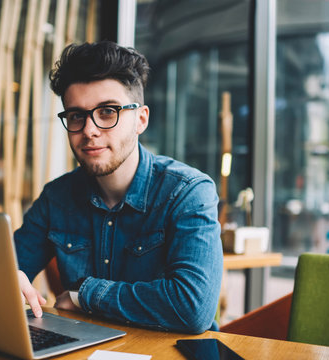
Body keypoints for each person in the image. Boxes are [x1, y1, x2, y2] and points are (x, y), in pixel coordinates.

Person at [14, 41, 223, 333]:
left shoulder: (188, 192)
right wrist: (6, 277)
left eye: (108, 112)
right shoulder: (56, 197)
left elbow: (192, 308)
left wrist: (85, 295)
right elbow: (9, 267)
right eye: (76, 115)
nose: (89, 129)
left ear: (141, 119)